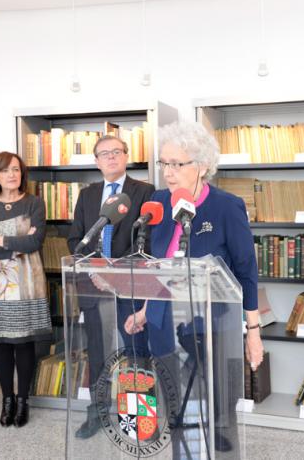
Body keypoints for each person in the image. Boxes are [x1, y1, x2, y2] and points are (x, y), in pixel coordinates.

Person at [123, 120, 264, 453]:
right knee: (175, 407)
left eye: (177, 164)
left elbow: (246, 271)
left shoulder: (226, 206)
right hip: (163, 325)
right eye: (164, 163)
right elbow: (160, 265)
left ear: (201, 166)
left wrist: (253, 330)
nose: (168, 172)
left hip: (211, 328)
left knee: (214, 414)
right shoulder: (157, 202)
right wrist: (145, 309)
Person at [67, 135, 155, 438]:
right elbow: (76, 238)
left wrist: (115, 273)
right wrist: (95, 270)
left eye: (116, 152)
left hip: (130, 287)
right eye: (104, 154)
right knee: (99, 353)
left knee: (135, 352)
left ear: (126, 156)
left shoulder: (145, 192)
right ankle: (98, 413)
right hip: (94, 287)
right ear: (96, 161)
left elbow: (148, 241)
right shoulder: (88, 195)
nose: (111, 158)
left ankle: (138, 420)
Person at [0, 151, 52, 427]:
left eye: (16, 169)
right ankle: (7, 399)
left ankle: (23, 400)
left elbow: (35, 243)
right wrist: (17, 240)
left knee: (24, 341)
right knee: (2, 342)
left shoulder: (34, 204)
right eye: (5, 170)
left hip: (28, 281)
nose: (12, 175)